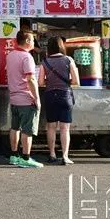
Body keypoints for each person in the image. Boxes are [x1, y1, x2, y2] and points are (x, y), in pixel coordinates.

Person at [38, 37, 80, 165]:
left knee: (51, 126)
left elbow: (40, 82)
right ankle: (65, 156)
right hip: (65, 95)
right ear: (62, 46)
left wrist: (49, 82)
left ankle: (52, 154)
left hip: (50, 95)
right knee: (64, 128)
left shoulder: (45, 61)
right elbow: (76, 81)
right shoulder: (68, 60)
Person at [6, 30, 43, 168]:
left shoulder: (11, 55)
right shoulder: (27, 57)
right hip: (26, 99)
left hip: (14, 98)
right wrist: (37, 98)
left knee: (14, 128)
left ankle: (14, 155)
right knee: (27, 130)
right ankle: (26, 157)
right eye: (32, 40)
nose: (34, 42)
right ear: (27, 41)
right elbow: (30, 79)